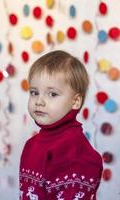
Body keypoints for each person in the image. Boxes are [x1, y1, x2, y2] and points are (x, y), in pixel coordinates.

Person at [19, 50, 103, 200]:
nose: (39, 101)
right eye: (34, 92)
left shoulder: (75, 151)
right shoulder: (32, 145)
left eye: (52, 94)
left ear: (75, 101)